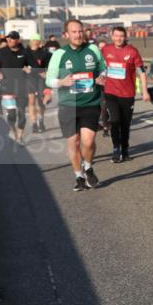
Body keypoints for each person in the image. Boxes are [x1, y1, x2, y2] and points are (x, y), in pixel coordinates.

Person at [45, 19, 107, 191]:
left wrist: (102, 76)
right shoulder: (59, 54)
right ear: (66, 34)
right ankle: (78, 176)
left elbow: (104, 68)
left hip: (90, 102)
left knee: (88, 141)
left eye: (80, 31)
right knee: (74, 142)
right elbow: (49, 80)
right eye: (74, 32)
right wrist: (61, 82)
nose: (78, 35)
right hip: (68, 105)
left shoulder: (93, 49)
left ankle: (88, 166)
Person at [101, 26, 149, 161]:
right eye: (116, 36)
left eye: (121, 36)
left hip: (127, 94)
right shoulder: (105, 50)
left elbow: (141, 72)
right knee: (115, 121)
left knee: (125, 124)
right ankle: (116, 148)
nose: (118, 38)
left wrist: (145, 91)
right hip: (111, 92)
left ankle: (125, 149)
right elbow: (98, 66)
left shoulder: (132, 51)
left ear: (125, 37)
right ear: (112, 36)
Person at [0, 31, 36, 144]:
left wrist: (29, 70)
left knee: (22, 113)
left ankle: (20, 136)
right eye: (8, 39)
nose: (10, 40)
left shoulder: (25, 52)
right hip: (7, 86)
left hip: (22, 86)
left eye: (12, 38)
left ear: (18, 40)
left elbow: (35, 66)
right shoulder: (2, 52)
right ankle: (14, 131)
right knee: (11, 114)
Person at [27, 37, 51, 133]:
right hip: (30, 79)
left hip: (42, 80)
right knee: (31, 102)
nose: (35, 43)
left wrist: (48, 74)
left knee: (46, 98)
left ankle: (40, 119)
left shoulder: (45, 53)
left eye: (37, 42)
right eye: (33, 42)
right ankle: (34, 124)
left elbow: (51, 65)